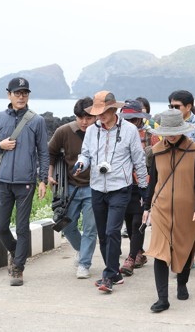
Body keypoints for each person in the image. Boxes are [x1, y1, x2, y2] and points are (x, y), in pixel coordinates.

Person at [74, 91, 148, 293]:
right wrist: (81, 163)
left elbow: (139, 160)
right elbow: (86, 154)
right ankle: (114, 272)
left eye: (103, 112)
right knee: (103, 236)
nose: (99, 117)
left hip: (120, 188)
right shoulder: (91, 131)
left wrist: (143, 189)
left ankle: (108, 277)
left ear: (114, 109)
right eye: (96, 113)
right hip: (97, 187)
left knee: (112, 231)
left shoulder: (130, 130)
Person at [142, 109, 195, 313]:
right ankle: (162, 299)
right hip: (161, 209)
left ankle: (182, 283)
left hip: (187, 210)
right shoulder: (157, 150)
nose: (170, 135)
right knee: (160, 252)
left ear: (182, 129)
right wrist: (146, 207)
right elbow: (152, 183)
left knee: (184, 249)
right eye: (167, 131)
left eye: (174, 131)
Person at [0, 77, 49, 286]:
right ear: (9, 95)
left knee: (22, 228)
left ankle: (18, 268)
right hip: (3, 181)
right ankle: (15, 251)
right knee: (0, 226)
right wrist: (0, 145)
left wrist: (43, 180)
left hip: (26, 183)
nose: (21, 96)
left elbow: (43, 152)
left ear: (28, 95)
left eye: (25, 93)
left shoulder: (37, 120)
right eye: (17, 93)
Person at [47, 97, 97, 279]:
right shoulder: (64, 131)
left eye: (89, 118)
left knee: (91, 228)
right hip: (71, 188)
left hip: (94, 188)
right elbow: (50, 154)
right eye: (80, 117)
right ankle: (82, 250)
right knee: (66, 226)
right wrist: (49, 175)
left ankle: (84, 264)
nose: (84, 122)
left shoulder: (101, 132)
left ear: (96, 116)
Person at [119, 100, 159, 276]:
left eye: (133, 118)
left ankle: (130, 258)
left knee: (138, 221)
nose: (130, 122)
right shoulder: (118, 133)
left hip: (144, 183)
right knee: (129, 220)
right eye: (127, 118)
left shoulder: (151, 135)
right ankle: (139, 253)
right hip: (124, 182)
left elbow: (158, 161)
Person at [168, 90, 195, 250]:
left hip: (192, 179)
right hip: (172, 178)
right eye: (170, 106)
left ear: (189, 106)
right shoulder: (169, 125)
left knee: (189, 221)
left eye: (176, 106)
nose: (173, 109)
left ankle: (187, 257)